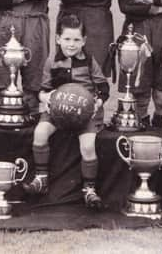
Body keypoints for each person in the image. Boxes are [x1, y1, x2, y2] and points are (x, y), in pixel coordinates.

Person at [22, 14, 109, 210]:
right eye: (67, 39)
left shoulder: (89, 61)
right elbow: (42, 90)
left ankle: (89, 189)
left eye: (77, 39)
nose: (71, 44)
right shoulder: (51, 61)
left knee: (87, 146)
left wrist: (97, 103)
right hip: (58, 111)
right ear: (58, 39)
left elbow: (104, 88)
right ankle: (41, 178)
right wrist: (45, 98)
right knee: (40, 132)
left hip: (85, 113)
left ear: (84, 41)